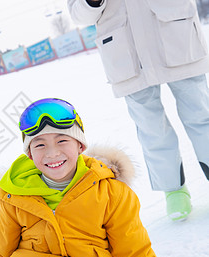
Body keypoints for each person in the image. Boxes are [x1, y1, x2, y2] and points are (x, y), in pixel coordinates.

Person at [0, 98, 174, 257]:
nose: (52, 153)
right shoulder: (14, 194)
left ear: (80, 146)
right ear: (30, 154)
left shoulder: (110, 193)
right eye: (40, 144)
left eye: (62, 141)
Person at [67, 0, 209, 221]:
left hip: (175, 34)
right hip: (125, 52)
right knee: (152, 129)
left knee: (200, 115)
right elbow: (78, 15)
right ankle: (174, 190)